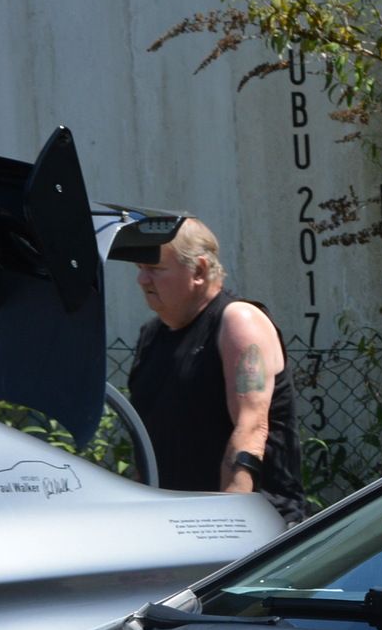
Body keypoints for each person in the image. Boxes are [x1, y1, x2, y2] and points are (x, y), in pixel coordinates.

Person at [124, 218, 304, 523]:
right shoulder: (151, 335)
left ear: (199, 270)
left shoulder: (238, 322)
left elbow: (251, 428)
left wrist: (230, 524)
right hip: (176, 524)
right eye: (140, 268)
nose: (142, 279)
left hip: (254, 526)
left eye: (154, 268)